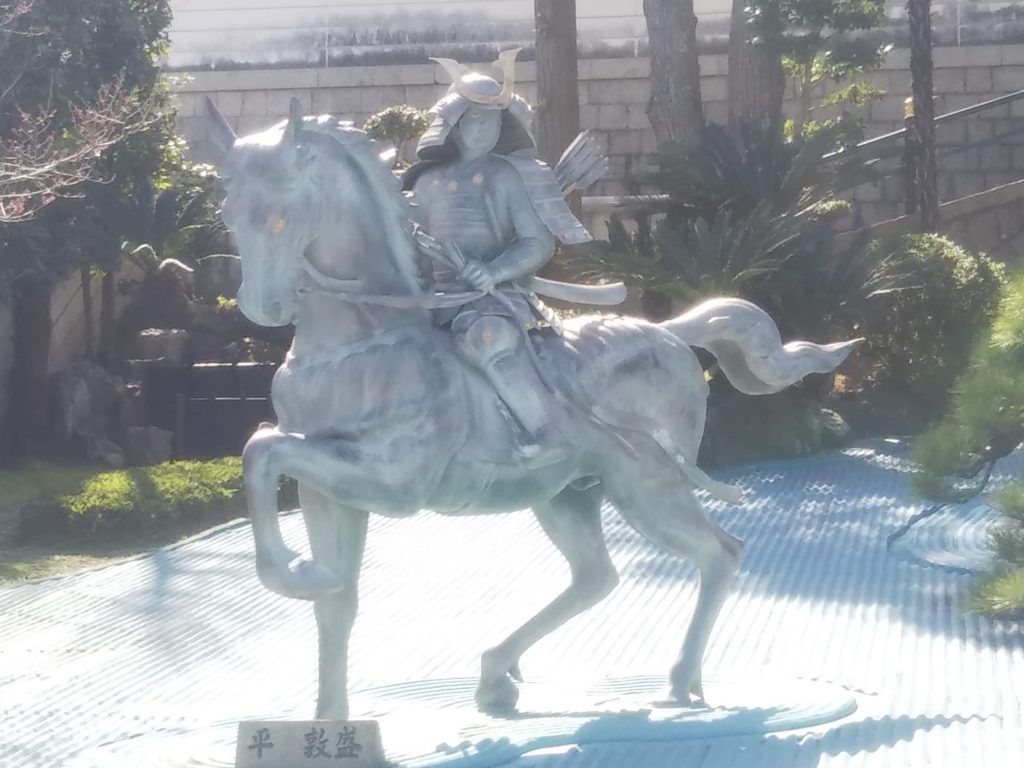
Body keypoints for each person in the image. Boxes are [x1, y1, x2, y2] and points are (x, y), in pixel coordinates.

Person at [404, 50, 594, 462]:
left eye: (491, 120)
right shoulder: (424, 182)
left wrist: (493, 271)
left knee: (487, 341)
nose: (482, 128)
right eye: (473, 119)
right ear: (452, 126)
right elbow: (408, 243)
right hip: (428, 300)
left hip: (491, 301)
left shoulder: (508, 176)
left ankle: (546, 432)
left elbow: (537, 243)